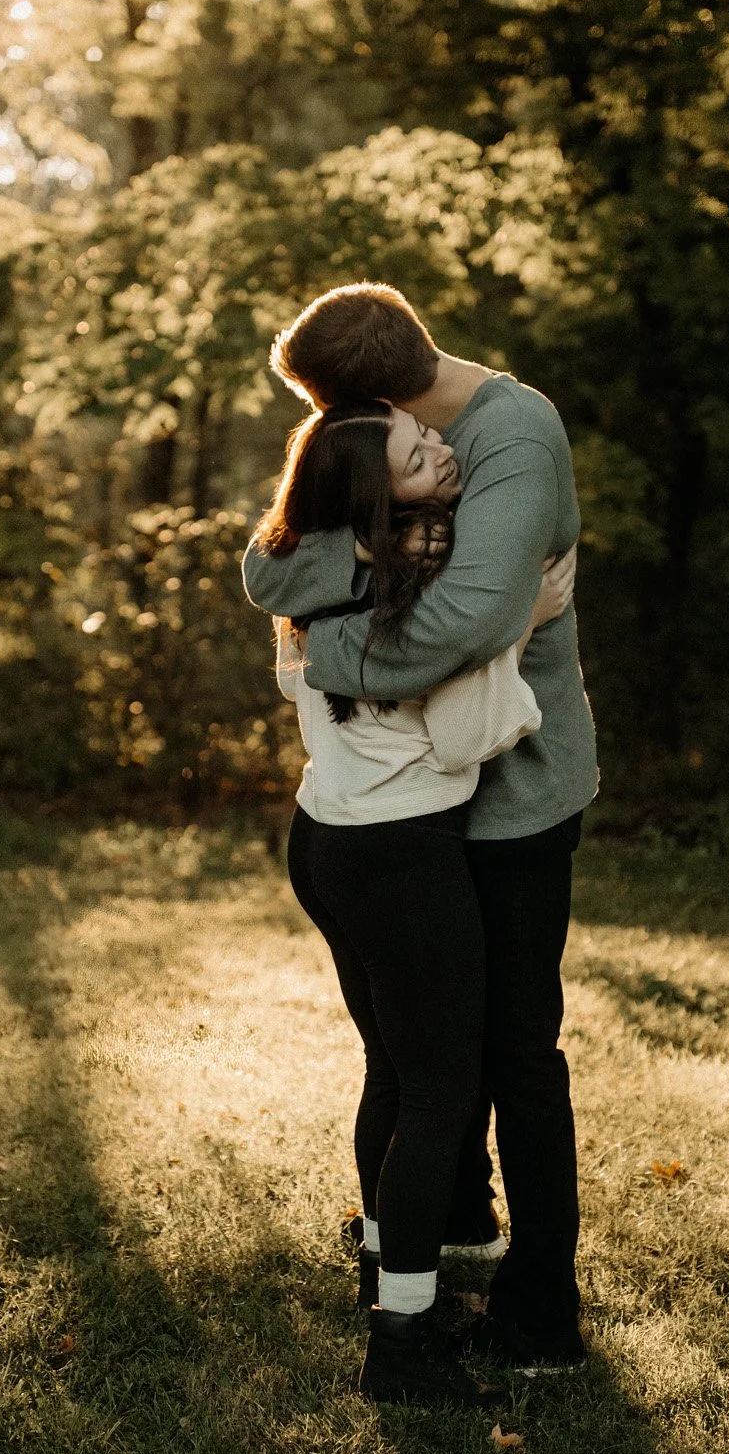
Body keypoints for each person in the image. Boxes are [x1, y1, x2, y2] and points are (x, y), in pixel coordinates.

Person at [246, 284, 598, 1376]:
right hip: (406, 813)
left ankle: (539, 1303)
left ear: (373, 393)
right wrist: (327, 614)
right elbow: (273, 567)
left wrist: (329, 658)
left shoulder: (510, 435)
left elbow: (475, 617)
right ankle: (425, 1252)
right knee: (413, 1057)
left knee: (512, 1052)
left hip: (510, 794)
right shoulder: (392, 450)